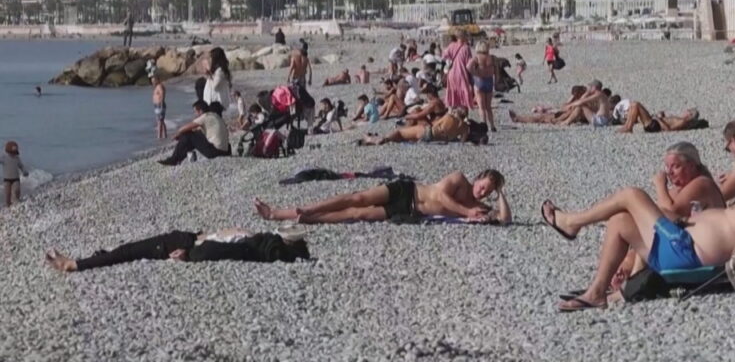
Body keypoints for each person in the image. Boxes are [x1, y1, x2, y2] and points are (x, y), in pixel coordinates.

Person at [541, 140, 735, 311]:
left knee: (631, 195)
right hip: (681, 248)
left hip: (685, 252)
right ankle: (596, 292)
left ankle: (571, 223)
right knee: (620, 220)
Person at [610, 142, 727, 287]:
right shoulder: (675, 192)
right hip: (685, 248)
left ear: (692, 166)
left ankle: (633, 280)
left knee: (652, 223)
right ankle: (624, 274)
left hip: (704, 252)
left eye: (675, 166)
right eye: (667, 167)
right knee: (626, 222)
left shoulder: (702, 184)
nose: (669, 173)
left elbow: (666, 214)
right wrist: (627, 261)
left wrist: (660, 185)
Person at [255, 169, 510, 225]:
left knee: (359, 215)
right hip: (407, 190)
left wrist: (501, 193)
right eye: (483, 186)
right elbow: (442, 197)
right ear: (478, 178)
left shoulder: (478, 206)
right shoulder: (459, 180)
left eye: (488, 191)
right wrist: (466, 212)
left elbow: (505, 220)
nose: (482, 192)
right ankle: (284, 211)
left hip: (409, 210)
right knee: (356, 198)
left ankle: (308, 218)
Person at [45, 227, 310, 272]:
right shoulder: (254, 243)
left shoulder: (252, 247)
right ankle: (97, 258)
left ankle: (75, 265)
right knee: (128, 249)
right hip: (187, 239)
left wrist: (186, 252)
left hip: (183, 244)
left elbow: (213, 252)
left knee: (130, 251)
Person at [158, 101, 231, 166]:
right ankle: (178, 159)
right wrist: (182, 137)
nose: (195, 114)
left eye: (195, 111)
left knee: (188, 134)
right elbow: (197, 131)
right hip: (225, 151)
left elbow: (183, 129)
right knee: (191, 136)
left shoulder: (205, 117)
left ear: (200, 111)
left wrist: (177, 135)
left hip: (215, 152)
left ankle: (174, 159)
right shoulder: (214, 116)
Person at [359, 108, 470, 145]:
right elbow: (462, 142)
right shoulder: (465, 127)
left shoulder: (449, 117)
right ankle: (379, 139)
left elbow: (435, 125)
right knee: (403, 137)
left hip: (429, 133)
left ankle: (379, 139)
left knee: (400, 132)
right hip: (440, 140)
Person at [509, 85, 587, 125]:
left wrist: (556, 119)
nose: (573, 96)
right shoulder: (578, 100)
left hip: (563, 117)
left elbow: (568, 110)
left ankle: (518, 119)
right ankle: (519, 118)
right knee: (541, 117)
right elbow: (565, 105)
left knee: (541, 118)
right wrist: (572, 98)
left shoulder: (580, 103)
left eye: (575, 95)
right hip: (562, 115)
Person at [617, 102, 703, 134]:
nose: (685, 111)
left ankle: (628, 128)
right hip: (655, 123)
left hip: (655, 125)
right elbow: (668, 123)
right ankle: (627, 126)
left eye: (688, 111)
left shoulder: (683, 121)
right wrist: (662, 117)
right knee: (633, 105)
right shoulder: (680, 119)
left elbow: (669, 129)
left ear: (690, 115)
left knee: (636, 105)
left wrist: (658, 119)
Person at [468, 41, 498, 132]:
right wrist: (496, 81)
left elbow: (468, 67)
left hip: (479, 81)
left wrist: (475, 73)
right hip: (489, 81)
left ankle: (484, 126)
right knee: (488, 107)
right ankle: (492, 126)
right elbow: (496, 71)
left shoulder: (476, 58)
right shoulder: (492, 58)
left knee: (481, 107)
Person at [442, 31, 474, 110]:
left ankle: (452, 110)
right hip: (461, 73)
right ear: (463, 37)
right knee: (463, 91)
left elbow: (444, 56)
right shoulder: (466, 48)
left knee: (453, 91)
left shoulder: (451, 45)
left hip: (452, 73)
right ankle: (463, 113)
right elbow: (468, 64)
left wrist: (450, 61)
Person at [4, 141, 28, 207]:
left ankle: (17, 200)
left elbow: (21, 166)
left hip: (16, 178)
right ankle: (8, 204)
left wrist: (24, 171)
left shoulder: (17, 158)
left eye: (14, 153)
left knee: (17, 190)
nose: (13, 154)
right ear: (8, 151)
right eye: (12, 152)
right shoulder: (4, 158)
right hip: (7, 179)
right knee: (7, 193)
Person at [152, 75, 167, 140]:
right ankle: (165, 135)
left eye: (154, 80)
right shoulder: (157, 87)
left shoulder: (159, 86)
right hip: (157, 105)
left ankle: (159, 136)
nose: (153, 82)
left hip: (160, 105)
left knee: (160, 121)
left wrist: (161, 104)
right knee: (161, 121)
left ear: (157, 80)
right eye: (152, 81)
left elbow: (162, 95)